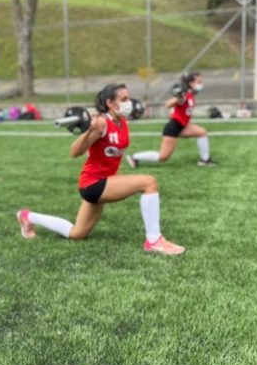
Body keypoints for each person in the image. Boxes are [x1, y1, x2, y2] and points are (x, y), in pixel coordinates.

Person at [16, 83, 185, 255]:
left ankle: (27, 216)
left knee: (77, 233)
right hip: (93, 184)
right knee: (149, 183)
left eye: (128, 98)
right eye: (124, 99)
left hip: (104, 182)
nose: (129, 103)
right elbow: (74, 152)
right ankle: (154, 241)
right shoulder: (100, 124)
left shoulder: (121, 121)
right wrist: (88, 132)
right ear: (111, 103)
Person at [126, 72, 218, 168]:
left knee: (202, 132)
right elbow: (168, 104)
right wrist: (179, 97)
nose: (201, 84)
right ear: (191, 83)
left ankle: (205, 160)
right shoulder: (184, 96)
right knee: (163, 157)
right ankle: (134, 157)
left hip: (183, 125)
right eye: (199, 82)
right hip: (174, 127)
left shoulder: (190, 94)